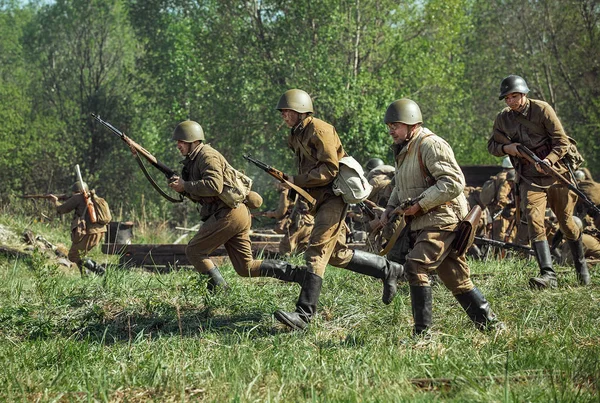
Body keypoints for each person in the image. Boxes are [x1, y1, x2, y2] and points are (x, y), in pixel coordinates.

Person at [264, 89, 405, 331]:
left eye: (287, 112)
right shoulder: (295, 135)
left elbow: (329, 170)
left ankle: (304, 315)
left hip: (333, 197)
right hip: (318, 199)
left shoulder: (320, 129)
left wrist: (295, 179)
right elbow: (308, 168)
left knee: (315, 253)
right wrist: (289, 180)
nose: (283, 116)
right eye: (283, 113)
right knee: (337, 255)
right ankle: (389, 269)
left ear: (300, 111)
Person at [380, 98, 503, 335]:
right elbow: (401, 185)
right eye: (390, 126)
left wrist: (421, 205)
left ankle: (422, 335)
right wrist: (389, 209)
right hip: (428, 221)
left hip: (443, 219)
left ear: (412, 124)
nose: (391, 130)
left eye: (395, 125)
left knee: (415, 265)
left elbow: (454, 182)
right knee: (457, 279)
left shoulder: (430, 145)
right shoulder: (405, 149)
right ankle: (492, 326)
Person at [168, 120, 312, 292]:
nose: (178, 145)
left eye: (181, 141)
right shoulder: (195, 159)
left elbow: (214, 186)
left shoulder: (207, 156)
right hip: (235, 213)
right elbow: (203, 194)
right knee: (246, 268)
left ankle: (221, 293)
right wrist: (182, 188)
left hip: (229, 214)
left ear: (193, 140)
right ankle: (299, 274)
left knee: (194, 251)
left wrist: (186, 186)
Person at [487, 74, 590, 287]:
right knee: (534, 221)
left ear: (524, 94)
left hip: (557, 176)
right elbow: (492, 146)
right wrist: (508, 148)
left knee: (567, 224)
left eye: (514, 96)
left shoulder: (542, 110)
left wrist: (549, 161)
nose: (510, 101)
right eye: (507, 98)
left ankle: (581, 267)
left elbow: (562, 142)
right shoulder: (503, 119)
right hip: (529, 177)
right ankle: (548, 274)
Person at [48, 182, 108, 276]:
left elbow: (62, 209)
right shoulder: (93, 197)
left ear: (76, 191)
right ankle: (85, 276)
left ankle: (100, 270)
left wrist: (55, 201)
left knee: (73, 255)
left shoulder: (78, 197)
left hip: (90, 232)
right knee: (79, 255)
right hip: (100, 231)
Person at [263, 183, 313, 256]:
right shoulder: (296, 189)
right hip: (310, 221)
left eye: (275, 184)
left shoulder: (285, 192)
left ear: (280, 184)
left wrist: (271, 214)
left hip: (299, 222)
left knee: (285, 247)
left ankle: (284, 266)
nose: (275, 187)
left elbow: (281, 212)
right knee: (302, 248)